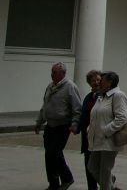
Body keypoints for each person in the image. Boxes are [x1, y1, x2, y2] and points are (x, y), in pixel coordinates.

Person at [35, 62, 82, 190]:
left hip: (62, 126)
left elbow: (77, 108)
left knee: (54, 152)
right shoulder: (50, 86)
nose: (52, 74)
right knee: (49, 155)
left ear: (63, 73)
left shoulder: (70, 87)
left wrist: (75, 124)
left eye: (54, 72)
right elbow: (45, 106)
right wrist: (39, 122)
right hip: (50, 125)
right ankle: (53, 183)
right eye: (52, 72)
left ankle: (67, 178)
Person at [87, 71, 127, 190]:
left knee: (105, 172)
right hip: (97, 140)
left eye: (102, 81)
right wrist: (89, 129)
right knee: (92, 167)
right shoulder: (101, 97)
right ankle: (111, 186)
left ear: (110, 82)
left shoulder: (118, 95)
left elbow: (122, 118)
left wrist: (106, 131)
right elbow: (96, 116)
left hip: (109, 141)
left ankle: (108, 186)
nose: (99, 83)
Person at [76, 69, 102, 190]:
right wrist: (77, 127)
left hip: (99, 137)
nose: (96, 82)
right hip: (87, 137)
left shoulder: (104, 96)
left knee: (98, 166)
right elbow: (83, 116)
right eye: (93, 80)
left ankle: (109, 184)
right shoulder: (87, 97)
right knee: (88, 165)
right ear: (89, 83)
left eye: (98, 80)